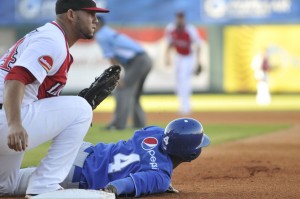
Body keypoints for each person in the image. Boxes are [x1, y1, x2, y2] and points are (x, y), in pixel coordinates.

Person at [0, 0, 109, 197]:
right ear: (71, 14)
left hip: (7, 116)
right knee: (81, 109)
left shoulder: (49, 36)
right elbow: (14, 79)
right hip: (7, 119)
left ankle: (44, 181)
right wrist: (15, 124)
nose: (95, 19)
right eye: (90, 13)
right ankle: (44, 186)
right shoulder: (52, 40)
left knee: (5, 186)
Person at [14, 118, 210, 197]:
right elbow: (126, 184)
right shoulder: (159, 176)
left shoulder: (154, 132)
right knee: (13, 185)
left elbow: (148, 157)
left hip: (79, 149)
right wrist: (110, 190)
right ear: (191, 154)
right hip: (74, 175)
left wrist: (160, 175)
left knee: (9, 180)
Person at [94, 16, 152, 130]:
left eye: (93, 22)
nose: (91, 25)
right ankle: (139, 123)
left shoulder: (101, 35)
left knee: (122, 89)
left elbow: (111, 57)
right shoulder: (108, 32)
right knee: (133, 94)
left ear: (98, 24)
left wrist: (116, 76)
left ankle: (118, 125)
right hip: (145, 59)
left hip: (137, 61)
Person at [165, 11, 202, 115]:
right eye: (178, 17)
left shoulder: (190, 29)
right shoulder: (171, 28)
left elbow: (198, 45)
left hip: (189, 57)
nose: (180, 19)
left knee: (184, 81)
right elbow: (169, 44)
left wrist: (198, 61)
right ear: (176, 18)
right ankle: (183, 106)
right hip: (178, 56)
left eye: (181, 17)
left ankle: (186, 107)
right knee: (178, 82)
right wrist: (167, 57)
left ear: (184, 18)